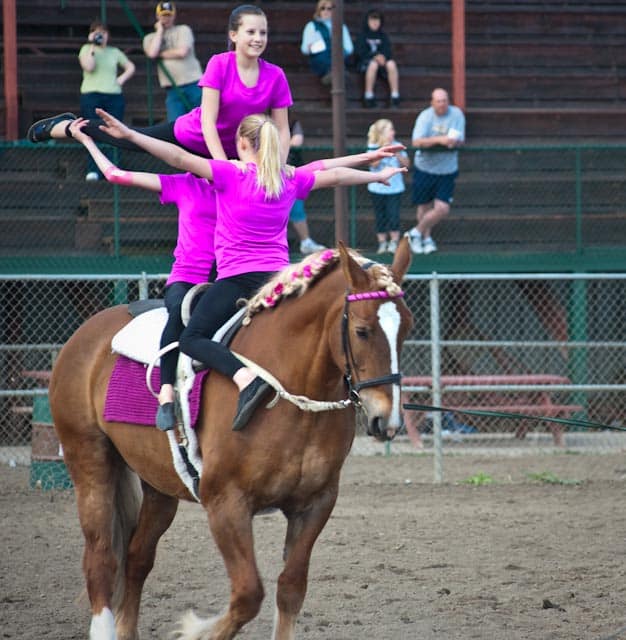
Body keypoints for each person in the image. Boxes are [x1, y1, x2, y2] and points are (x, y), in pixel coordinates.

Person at [91, 108, 407, 431]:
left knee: (191, 338)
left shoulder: (231, 175)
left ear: (242, 142)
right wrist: (376, 174)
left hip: (238, 280)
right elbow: (335, 174)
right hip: (279, 281)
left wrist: (132, 136)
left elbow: (179, 159)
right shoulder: (287, 179)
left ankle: (245, 379)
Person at [67, 117, 217, 430]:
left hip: (229, 275)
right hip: (189, 277)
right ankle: (166, 396)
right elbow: (115, 175)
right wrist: (88, 142)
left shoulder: (237, 180)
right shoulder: (183, 184)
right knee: (179, 314)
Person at [27, 5, 292, 163]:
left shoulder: (276, 76)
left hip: (237, 153)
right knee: (128, 138)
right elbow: (208, 122)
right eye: (251, 32)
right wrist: (221, 166)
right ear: (234, 35)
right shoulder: (220, 64)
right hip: (194, 137)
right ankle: (64, 127)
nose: (258, 38)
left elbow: (282, 129)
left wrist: (278, 166)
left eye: (263, 32)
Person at [405, 88, 465, 255]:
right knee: (424, 205)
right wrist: (440, 139)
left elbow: (461, 138)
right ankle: (424, 238)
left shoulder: (457, 115)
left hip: (447, 169)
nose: (442, 104)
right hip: (425, 167)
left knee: (442, 208)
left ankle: (414, 233)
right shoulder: (425, 117)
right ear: (432, 102)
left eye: (444, 100)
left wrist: (454, 142)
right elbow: (416, 141)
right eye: (438, 101)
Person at [78, 20, 135, 181]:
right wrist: (91, 46)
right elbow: (88, 66)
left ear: (108, 35)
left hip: (113, 95)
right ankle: (93, 169)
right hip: (91, 95)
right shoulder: (86, 50)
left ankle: (113, 167)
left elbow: (130, 66)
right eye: (96, 32)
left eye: (103, 32)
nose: (100, 35)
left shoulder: (114, 51)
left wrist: (121, 80)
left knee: (114, 130)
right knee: (92, 129)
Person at [142, 1, 203, 122]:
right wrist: (159, 31)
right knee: (175, 125)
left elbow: (182, 52)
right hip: (172, 89)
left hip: (193, 84)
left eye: (169, 15)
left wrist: (161, 54)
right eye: (163, 15)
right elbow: (152, 53)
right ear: (157, 17)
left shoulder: (183, 30)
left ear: (174, 15)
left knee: (201, 120)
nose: (166, 18)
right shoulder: (149, 38)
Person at [366, 118, 409, 254]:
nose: (393, 132)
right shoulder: (373, 146)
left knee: (393, 215)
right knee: (380, 216)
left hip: (394, 188)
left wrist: (396, 153)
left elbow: (407, 164)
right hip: (377, 188)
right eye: (390, 130)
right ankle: (382, 243)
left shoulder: (397, 145)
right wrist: (382, 152)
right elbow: (373, 165)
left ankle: (394, 242)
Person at [288, 117, 326, 255]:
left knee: (296, 208)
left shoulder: (293, 122)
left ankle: (306, 242)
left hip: (292, 171)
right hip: (269, 172)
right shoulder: (264, 120)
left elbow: (297, 142)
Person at [354, 9, 400, 109]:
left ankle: (395, 96)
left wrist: (383, 57)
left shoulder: (383, 36)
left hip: (382, 63)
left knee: (391, 64)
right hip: (367, 63)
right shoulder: (363, 36)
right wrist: (374, 56)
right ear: (367, 21)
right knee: (373, 64)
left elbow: (388, 51)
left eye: (377, 20)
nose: (375, 23)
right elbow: (360, 52)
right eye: (372, 20)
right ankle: (368, 95)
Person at [300, 0, 353, 86]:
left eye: (329, 9)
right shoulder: (312, 26)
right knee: (323, 58)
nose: (326, 11)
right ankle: (332, 75)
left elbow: (349, 48)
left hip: (337, 57)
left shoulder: (341, 26)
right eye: (323, 8)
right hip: (320, 59)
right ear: (318, 10)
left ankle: (336, 74)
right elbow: (304, 49)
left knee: (338, 57)